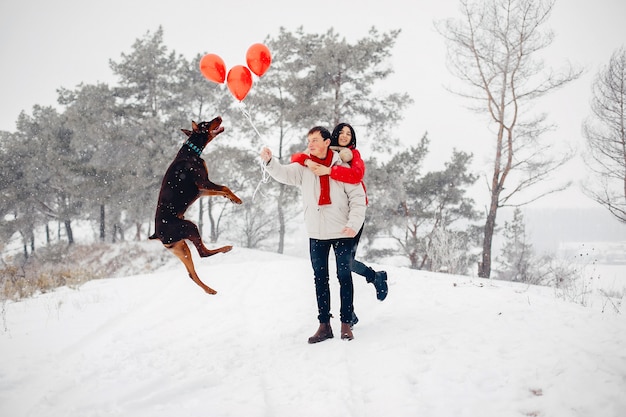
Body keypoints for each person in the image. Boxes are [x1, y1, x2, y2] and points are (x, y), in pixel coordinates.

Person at [260, 126, 366, 343]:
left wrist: (353, 225)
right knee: (320, 279)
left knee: (344, 277)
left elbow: (358, 198)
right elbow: (284, 174)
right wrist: (270, 162)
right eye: (309, 140)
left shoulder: (341, 166)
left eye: (315, 140)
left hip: (342, 232)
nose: (310, 144)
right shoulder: (304, 167)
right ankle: (324, 325)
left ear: (327, 142)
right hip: (316, 233)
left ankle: (346, 324)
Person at [291, 123, 388, 327]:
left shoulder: (352, 156)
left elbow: (355, 176)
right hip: (329, 219)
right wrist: (308, 163)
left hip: (353, 214)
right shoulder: (325, 152)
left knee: (345, 263)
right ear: (333, 136)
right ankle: (351, 311)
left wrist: (329, 170)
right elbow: (297, 158)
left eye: (349, 133)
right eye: (341, 132)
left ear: (352, 138)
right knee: (343, 264)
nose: (344, 136)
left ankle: (374, 279)